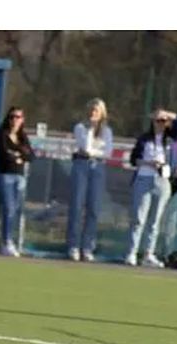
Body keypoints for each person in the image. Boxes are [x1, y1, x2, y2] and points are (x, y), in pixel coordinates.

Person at [124, 108, 177, 267]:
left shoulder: (170, 140)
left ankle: (148, 254)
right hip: (144, 178)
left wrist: (167, 114)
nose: (160, 124)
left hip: (162, 181)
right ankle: (132, 252)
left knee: (155, 220)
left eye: (163, 121)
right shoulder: (144, 139)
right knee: (139, 217)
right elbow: (133, 159)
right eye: (158, 121)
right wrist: (148, 163)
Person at [67, 98, 113, 262]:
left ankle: (87, 246)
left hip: (98, 168)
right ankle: (73, 245)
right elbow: (85, 148)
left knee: (93, 208)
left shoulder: (106, 131)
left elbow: (108, 152)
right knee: (77, 205)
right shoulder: (80, 128)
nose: (94, 113)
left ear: (102, 113)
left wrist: (94, 152)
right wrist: (91, 129)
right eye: (92, 110)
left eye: (97, 111)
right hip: (81, 165)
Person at [0, 106, 34, 257]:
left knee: (15, 210)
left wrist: (18, 154)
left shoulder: (23, 137)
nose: (14, 120)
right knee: (8, 208)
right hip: (6, 175)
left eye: (18, 117)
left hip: (20, 177)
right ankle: (6, 242)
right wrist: (18, 155)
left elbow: (30, 156)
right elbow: (4, 154)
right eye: (12, 117)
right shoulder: (2, 134)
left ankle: (12, 240)